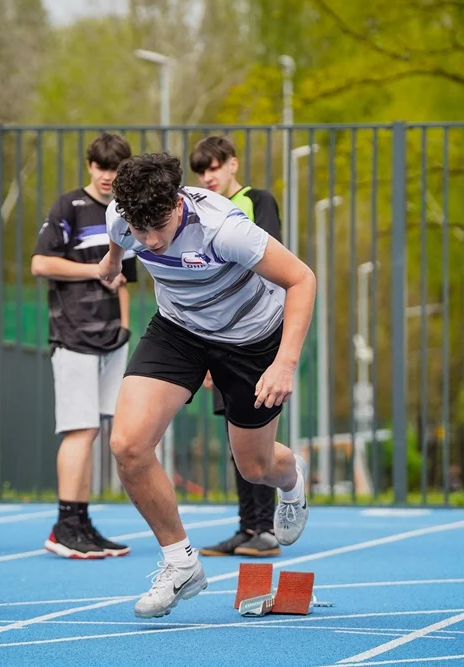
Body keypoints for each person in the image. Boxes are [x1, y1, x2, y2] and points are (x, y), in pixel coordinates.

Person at [98, 152, 317, 618]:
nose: (151, 241)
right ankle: (181, 563)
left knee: (255, 466)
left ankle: (291, 477)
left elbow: (302, 279)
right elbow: (119, 238)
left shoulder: (224, 229)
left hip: (250, 339)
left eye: (159, 227)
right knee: (128, 445)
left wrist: (284, 364)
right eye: (141, 231)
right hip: (179, 330)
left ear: (178, 203)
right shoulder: (121, 215)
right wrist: (112, 261)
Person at [31, 133, 137, 559]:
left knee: (93, 430)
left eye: (115, 168)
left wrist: (125, 326)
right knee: (80, 429)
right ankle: (63, 526)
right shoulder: (69, 207)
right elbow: (40, 263)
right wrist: (95, 269)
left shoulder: (125, 212)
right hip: (73, 336)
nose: (108, 176)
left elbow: (125, 278)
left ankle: (81, 521)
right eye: (101, 167)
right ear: (90, 166)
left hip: (111, 338)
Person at [189, 136, 283, 558]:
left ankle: (267, 527)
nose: (208, 177)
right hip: (218, 336)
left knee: (257, 435)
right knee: (235, 438)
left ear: (232, 164)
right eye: (201, 172)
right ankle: (248, 527)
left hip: (255, 333)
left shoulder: (257, 201)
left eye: (214, 167)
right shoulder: (200, 211)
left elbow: (269, 260)